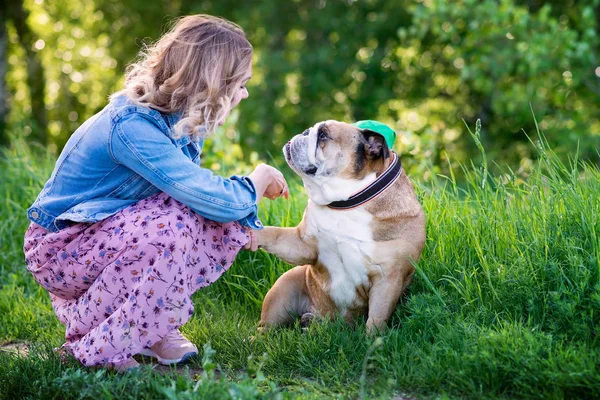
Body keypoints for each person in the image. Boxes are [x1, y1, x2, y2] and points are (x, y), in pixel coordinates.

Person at [23, 14, 288, 372]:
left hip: (98, 237)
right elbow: (217, 201)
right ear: (214, 84)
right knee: (175, 227)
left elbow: (200, 199)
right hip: (60, 251)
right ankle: (100, 347)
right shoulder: (133, 126)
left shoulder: (179, 121)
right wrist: (257, 180)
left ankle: (150, 331)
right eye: (240, 83)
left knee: (201, 218)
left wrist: (239, 204)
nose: (244, 93)